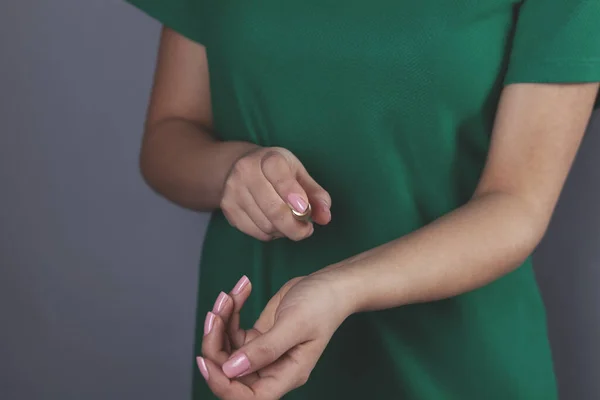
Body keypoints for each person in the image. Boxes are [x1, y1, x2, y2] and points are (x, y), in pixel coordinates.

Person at [126, 0, 600, 398]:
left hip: (454, 364)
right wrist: (233, 170)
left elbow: (517, 203)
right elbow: (169, 134)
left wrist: (340, 289)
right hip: (255, 349)